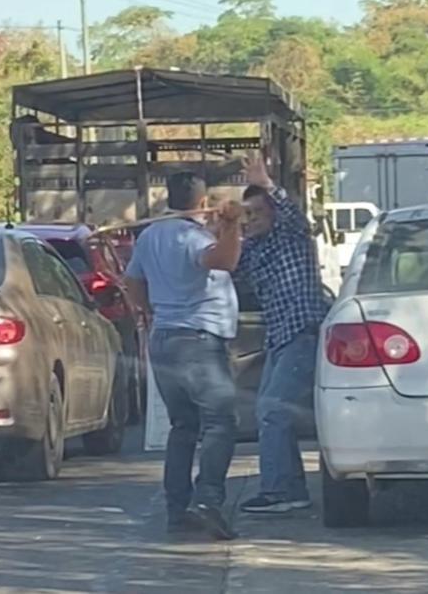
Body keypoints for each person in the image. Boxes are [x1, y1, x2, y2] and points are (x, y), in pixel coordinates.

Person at [123, 171, 244, 540]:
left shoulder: (150, 236)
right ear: (203, 201)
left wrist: (149, 312)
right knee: (220, 423)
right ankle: (207, 501)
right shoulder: (192, 237)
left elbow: (132, 282)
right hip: (198, 339)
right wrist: (232, 226)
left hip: (164, 338)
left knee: (183, 427)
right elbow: (224, 261)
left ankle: (178, 510)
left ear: (168, 198)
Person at [236, 153, 332, 513]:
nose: (251, 221)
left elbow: (293, 215)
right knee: (272, 413)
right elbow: (228, 269)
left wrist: (266, 183)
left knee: (272, 410)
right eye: (247, 215)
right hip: (278, 338)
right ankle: (289, 488)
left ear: (273, 212)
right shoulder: (253, 249)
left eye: (257, 213)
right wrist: (225, 226)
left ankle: (281, 490)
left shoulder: (292, 236)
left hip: (302, 333)